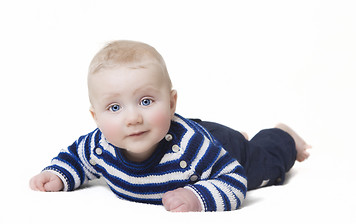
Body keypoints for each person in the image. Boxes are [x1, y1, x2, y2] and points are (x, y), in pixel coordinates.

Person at [29, 40, 311, 212]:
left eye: (147, 101)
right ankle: (236, 135)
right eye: (115, 108)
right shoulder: (100, 144)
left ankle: (282, 137)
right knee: (219, 138)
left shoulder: (191, 150)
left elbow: (235, 181)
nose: (133, 118)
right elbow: (76, 157)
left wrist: (196, 196)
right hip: (194, 133)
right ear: (96, 118)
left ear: (172, 102)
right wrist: (58, 173)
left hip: (209, 144)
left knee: (263, 165)